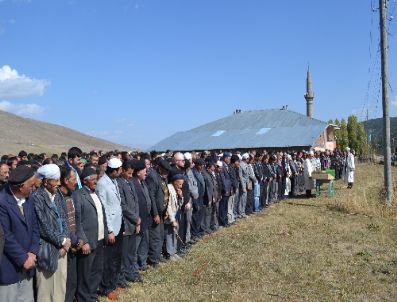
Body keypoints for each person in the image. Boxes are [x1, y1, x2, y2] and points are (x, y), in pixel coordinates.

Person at [0, 166, 39, 302]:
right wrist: (23, 258)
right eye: (31, 185)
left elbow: (35, 226)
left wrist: (33, 252)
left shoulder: (29, 198)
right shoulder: (2, 202)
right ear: (21, 187)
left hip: (28, 263)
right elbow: (5, 236)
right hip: (9, 266)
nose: (34, 188)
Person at [33, 164, 70, 302]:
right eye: (55, 180)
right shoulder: (37, 197)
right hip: (47, 250)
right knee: (46, 291)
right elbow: (43, 225)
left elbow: (64, 217)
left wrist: (66, 239)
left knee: (60, 287)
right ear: (46, 181)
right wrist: (61, 241)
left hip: (63, 249)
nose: (59, 183)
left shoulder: (58, 194)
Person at [73, 167, 108, 302]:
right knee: (85, 273)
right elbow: (77, 220)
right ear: (85, 181)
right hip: (88, 241)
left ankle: (92, 295)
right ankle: (83, 298)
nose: (95, 182)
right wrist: (83, 240)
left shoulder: (96, 193)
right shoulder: (78, 195)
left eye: (96, 179)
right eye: (92, 180)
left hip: (99, 239)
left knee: (96, 270)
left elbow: (101, 215)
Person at [96, 158, 124, 299]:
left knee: (116, 257)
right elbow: (104, 208)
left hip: (119, 224)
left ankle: (114, 283)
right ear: (114, 170)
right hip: (111, 227)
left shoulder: (114, 181)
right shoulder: (102, 184)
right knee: (108, 259)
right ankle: (105, 287)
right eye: (119, 170)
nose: (121, 172)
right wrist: (110, 230)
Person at [117, 161, 142, 286]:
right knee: (124, 252)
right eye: (128, 173)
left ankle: (131, 272)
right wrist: (134, 218)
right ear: (122, 170)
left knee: (132, 251)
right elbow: (123, 206)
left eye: (132, 173)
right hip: (126, 223)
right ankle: (123, 275)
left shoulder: (131, 182)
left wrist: (137, 219)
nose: (130, 175)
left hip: (134, 223)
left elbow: (135, 202)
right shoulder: (119, 183)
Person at [59, 166, 82, 302]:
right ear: (66, 180)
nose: (76, 182)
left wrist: (79, 239)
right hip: (64, 246)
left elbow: (76, 220)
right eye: (74, 179)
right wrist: (71, 242)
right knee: (64, 283)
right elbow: (62, 224)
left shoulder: (72, 195)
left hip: (74, 244)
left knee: (72, 280)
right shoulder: (58, 198)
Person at [131, 160, 152, 271]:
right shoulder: (133, 184)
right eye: (144, 170)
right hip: (138, 220)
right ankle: (134, 267)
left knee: (144, 242)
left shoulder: (143, 183)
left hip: (146, 218)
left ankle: (142, 264)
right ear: (138, 172)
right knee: (136, 245)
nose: (146, 172)